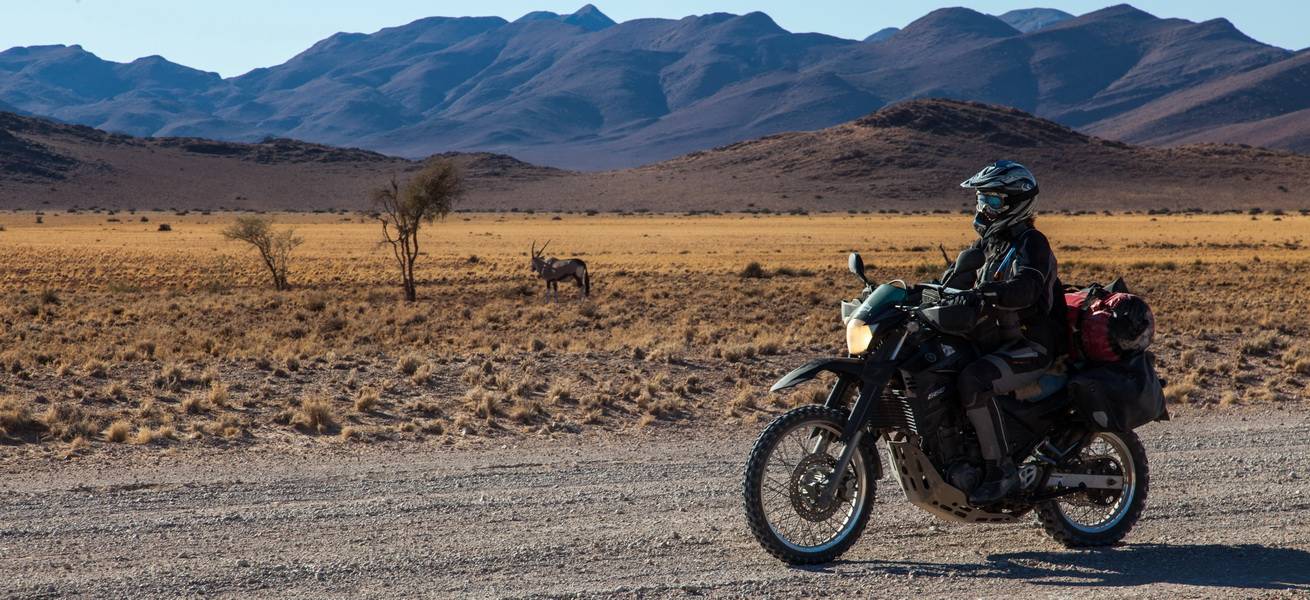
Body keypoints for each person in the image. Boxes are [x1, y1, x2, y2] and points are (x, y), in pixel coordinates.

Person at [951, 160, 1065, 505]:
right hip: (999, 341)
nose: (985, 208)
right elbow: (951, 282)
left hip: (1033, 347)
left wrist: (993, 293)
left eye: (994, 201)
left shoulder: (1033, 243)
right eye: (981, 200)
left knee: (975, 381)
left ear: (1017, 202)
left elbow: (1027, 287)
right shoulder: (987, 245)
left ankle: (1001, 470)